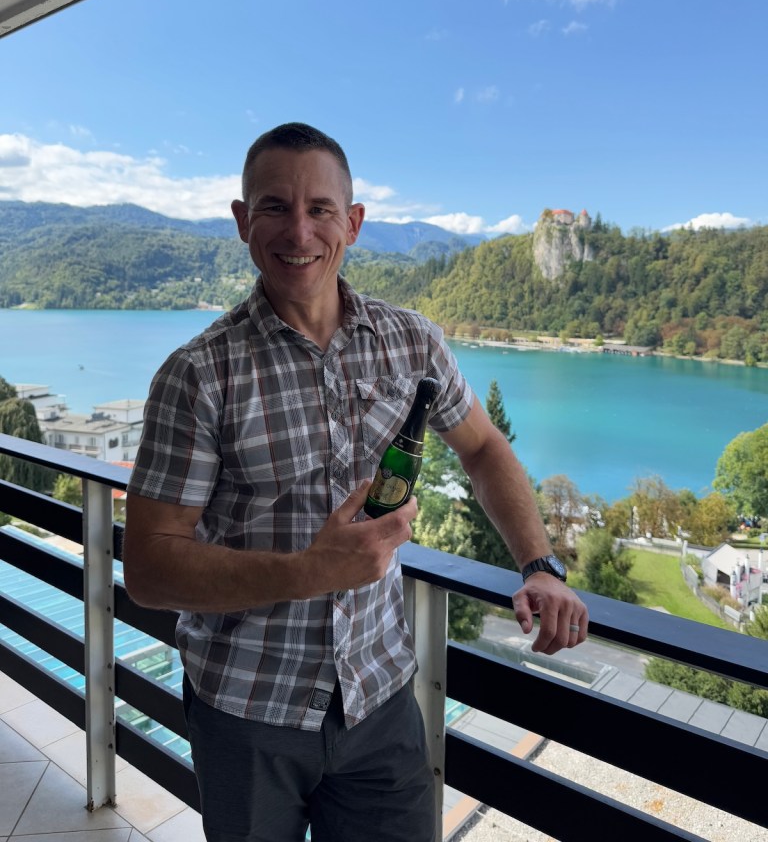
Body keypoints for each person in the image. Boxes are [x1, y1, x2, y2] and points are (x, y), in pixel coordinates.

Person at [123, 122, 588, 842]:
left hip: (380, 698)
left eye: (320, 209)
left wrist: (539, 565)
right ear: (243, 220)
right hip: (247, 710)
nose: (298, 231)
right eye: (274, 207)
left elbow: (484, 447)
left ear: (354, 223)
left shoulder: (412, 342)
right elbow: (150, 568)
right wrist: (308, 571)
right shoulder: (199, 374)